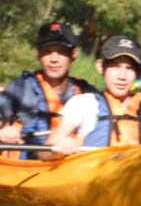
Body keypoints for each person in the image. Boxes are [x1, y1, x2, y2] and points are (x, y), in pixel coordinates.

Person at [45, 35, 141, 153]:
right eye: (115, 67)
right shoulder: (85, 104)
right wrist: (60, 147)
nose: (122, 76)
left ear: (137, 74)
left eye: (129, 68)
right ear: (100, 67)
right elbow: (45, 152)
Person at [0, 22, 97, 157]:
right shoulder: (20, 89)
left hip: (73, 171)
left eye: (61, 52)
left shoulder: (87, 93)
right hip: (25, 172)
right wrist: (4, 130)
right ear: (38, 55)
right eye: (47, 52)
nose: (54, 59)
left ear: (74, 54)